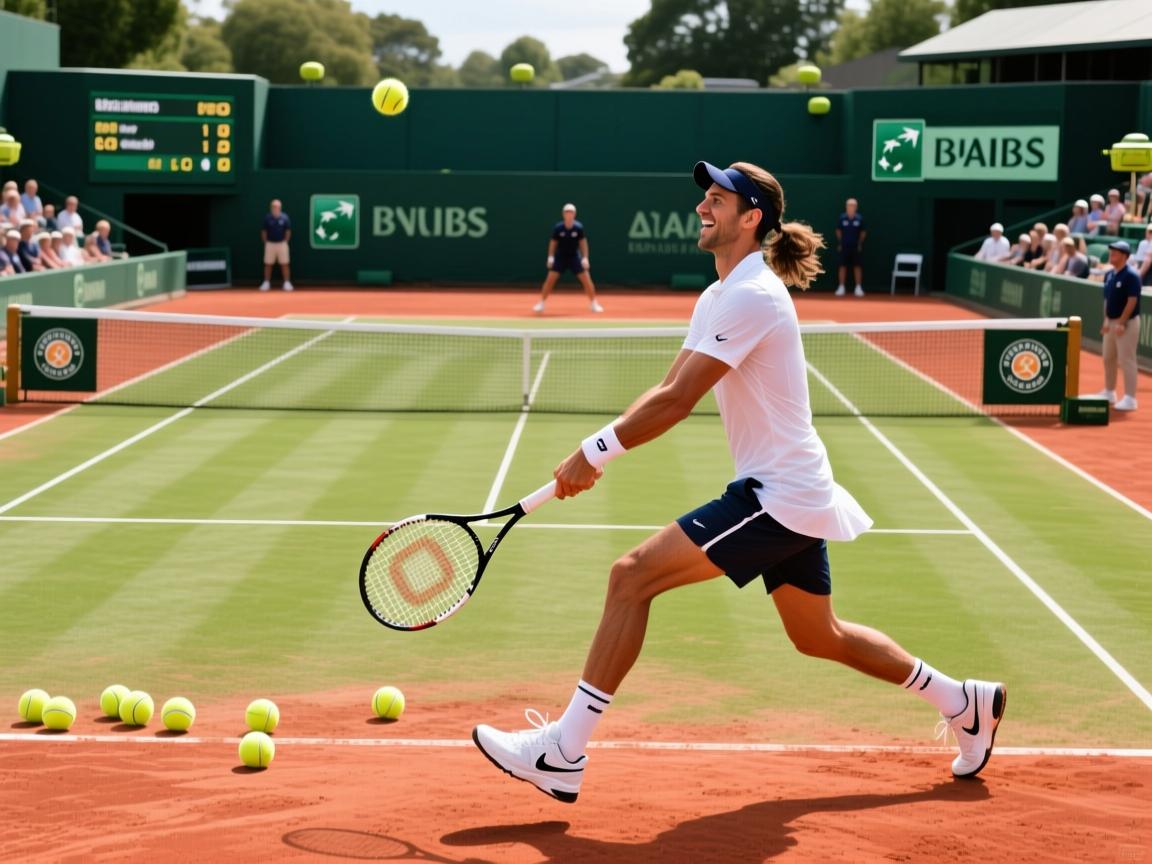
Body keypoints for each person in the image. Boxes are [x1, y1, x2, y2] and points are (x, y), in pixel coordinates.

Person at [472, 160, 1007, 804]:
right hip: (792, 488)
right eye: (706, 195)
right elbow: (670, 386)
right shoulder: (719, 294)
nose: (705, 205)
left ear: (751, 218)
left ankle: (563, 751)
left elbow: (678, 402)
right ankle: (963, 700)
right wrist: (597, 451)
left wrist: (595, 451)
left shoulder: (753, 294)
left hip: (778, 495)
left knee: (631, 576)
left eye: (719, 198)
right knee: (818, 636)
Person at [1093, 240, 1141, 412]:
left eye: (1116, 251)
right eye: (1111, 250)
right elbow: (1107, 300)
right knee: (1108, 358)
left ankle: (1130, 398)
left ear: (1125, 256)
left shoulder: (1131, 275)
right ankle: (1109, 391)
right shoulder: (1109, 275)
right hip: (1111, 322)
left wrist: (1121, 322)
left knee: (1126, 360)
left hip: (1126, 323)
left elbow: (1132, 301)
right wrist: (1106, 320)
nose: (1112, 253)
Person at [533, 203, 602, 313]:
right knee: (549, 280)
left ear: (574, 214)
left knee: (587, 280)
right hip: (560, 257)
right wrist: (550, 257)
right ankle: (541, 303)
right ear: (563, 214)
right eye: (567, 212)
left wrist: (585, 258)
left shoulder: (579, 227)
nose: (569, 214)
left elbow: (583, 243)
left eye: (571, 212)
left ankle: (594, 303)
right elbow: (553, 243)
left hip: (575, 257)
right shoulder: (558, 228)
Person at [259, 198, 293, 292]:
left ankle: (287, 282)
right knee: (268, 264)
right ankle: (266, 283)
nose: (275, 208)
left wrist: (285, 241)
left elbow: (288, 231)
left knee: (285, 264)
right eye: (274, 206)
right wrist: (266, 242)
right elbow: (264, 231)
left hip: (282, 244)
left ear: (280, 207)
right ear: (271, 207)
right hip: (270, 244)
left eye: (277, 206)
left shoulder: (285, 217)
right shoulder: (267, 218)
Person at [834, 197, 866, 296]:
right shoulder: (842, 218)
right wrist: (840, 242)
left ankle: (858, 287)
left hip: (856, 247)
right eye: (849, 205)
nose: (851, 207)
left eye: (853, 205)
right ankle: (841, 287)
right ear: (846, 207)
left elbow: (863, 232)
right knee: (842, 266)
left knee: (857, 266)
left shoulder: (859, 218)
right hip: (844, 246)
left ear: (856, 207)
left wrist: (860, 243)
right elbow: (838, 231)